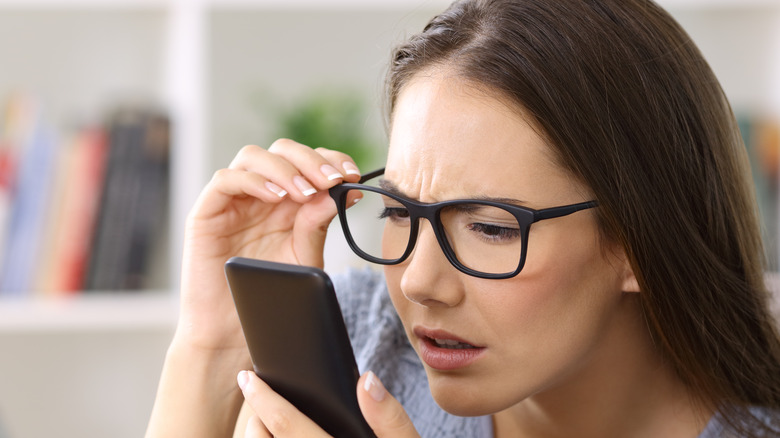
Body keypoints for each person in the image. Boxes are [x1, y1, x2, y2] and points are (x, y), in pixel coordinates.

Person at [145, 0, 780, 436]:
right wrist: (209, 345)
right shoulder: (359, 346)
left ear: (640, 242)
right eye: (398, 210)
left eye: (490, 227)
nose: (419, 284)